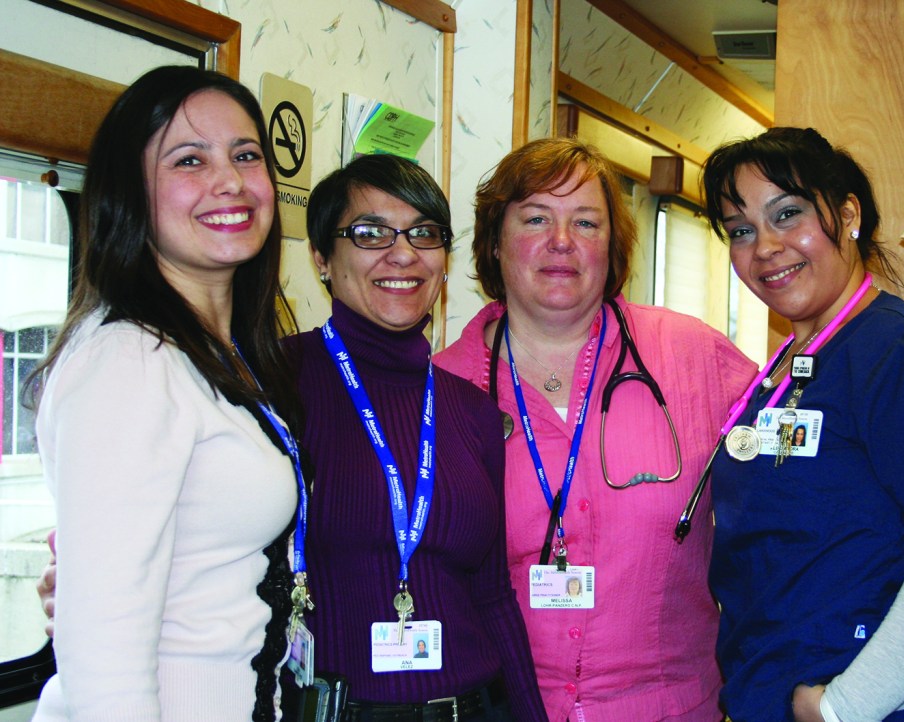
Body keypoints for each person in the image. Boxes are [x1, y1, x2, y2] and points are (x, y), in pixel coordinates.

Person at [436, 137, 756, 721]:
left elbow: (798, 490)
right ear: (495, 241)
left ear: (612, 246)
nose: (562, 242)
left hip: (671, 708)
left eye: (586, 222)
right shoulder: (440, 389)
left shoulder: (692, 356)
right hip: (504, 707)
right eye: (536, 218)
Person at [701, 126, 904, 722]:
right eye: (741, 231)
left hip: (893, 706)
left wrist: (842, 708)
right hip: (783, 688)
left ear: (847, 215)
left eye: (787, 215)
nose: (765, 246)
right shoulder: (786, 369)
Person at [28, 66, 301, 721]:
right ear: (132, 193)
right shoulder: (130, 357)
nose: (230, 181)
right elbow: (104, 655)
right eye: (189, 160)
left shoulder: (219, 353)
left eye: (245, 155)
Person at [291, 154, 545, 721]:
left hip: (473, 708)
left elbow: (493, 594)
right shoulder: (279, 382)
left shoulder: (472, 410)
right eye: (370, 232)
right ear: (321, 259)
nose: (402, 253)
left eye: (424, 234)